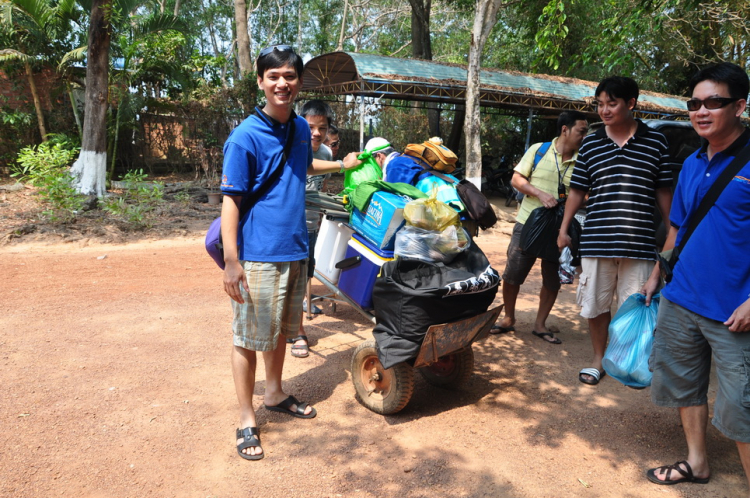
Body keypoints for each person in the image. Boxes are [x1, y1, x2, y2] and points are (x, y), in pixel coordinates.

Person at [220, 45, 360, 460]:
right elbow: (230, 200)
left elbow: (303, 167)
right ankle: (247, 416)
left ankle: (275, 393)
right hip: (258, 254)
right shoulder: (244, 137)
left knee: (282, 329)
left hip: (295, 247)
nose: (282, 83)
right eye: (274, 76)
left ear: (299, 82)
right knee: (248, 337)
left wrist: (342, 165)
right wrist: (231, 261)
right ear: (261, 81)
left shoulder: (300, 128)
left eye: (290, 76)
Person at [641, 62, 750, 490]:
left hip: (733, 310)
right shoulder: (689, 163)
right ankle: (697, 462)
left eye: (713, 103)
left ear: (740, 106)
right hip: (681, 296)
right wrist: (656, 275)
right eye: (694, 103)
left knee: (742, 408)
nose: (701, 111)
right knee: (685, 387)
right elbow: (677, 229)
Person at [557, 76, 672, 385]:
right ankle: (598, 358)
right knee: (595, 305)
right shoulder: (591, 142)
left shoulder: (656, 142)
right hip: (597, 240)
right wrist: (564, 229)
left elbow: (664, 194)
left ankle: (625, 358)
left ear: (631, 103)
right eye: (600, 104)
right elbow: (578, 191)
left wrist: (673, 238)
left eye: (612, 103)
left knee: (634, 304)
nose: (604, 110)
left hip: (639, 243)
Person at [493, 111, 588, 344]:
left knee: (552, 279)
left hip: (559, 230)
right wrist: (539, 193)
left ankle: (540, 324)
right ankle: (508, 318)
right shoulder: (539, 150)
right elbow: (517, 179)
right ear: (565, 129)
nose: (584, 136)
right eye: (581, 131)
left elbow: (586, 193)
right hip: (527, 224)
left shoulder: (584, 159)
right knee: (513, 274)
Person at [288, 99, 336, 358]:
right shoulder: (292, 149)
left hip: (311, 225)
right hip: (289, 227)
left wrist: (319, 215)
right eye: (310, 127)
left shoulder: (327, 154)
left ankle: (295, 318)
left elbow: (322, 188)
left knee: (307, 270)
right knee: (293, 277)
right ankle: (297, 331)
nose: (316, 133)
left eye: (322, 128)